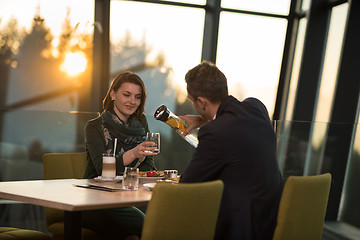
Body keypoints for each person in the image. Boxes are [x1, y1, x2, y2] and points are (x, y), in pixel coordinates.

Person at [179, 61, 284, 240]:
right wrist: (203, 119)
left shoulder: (214, 132)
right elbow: (239, 128)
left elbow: (187, 186)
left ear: (202, 102)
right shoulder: (256, 107)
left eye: (193, 102)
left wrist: (207, 123)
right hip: (272, 217)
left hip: (243, 229)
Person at [83, 71, 158, 240]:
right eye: (127, 95)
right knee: (148, 225)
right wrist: (133, 154)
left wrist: (133, 174)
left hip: (129, 195)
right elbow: (102, 170)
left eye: (137, 97)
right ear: (113, 94)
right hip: (96, 200)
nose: (132, 101)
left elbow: (148, 164)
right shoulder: (94, 127)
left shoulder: (141, 123)